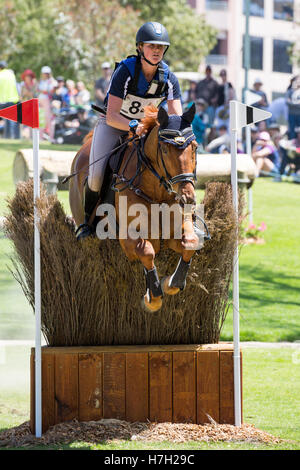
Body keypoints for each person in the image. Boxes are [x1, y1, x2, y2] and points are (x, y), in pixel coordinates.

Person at [76, 21, 182, 240]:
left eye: (160, 47)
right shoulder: (125, 71)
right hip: (114, 125)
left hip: (147, 128)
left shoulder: (169, 78)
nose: (156, 51)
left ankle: (187, 219)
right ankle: (88, 222)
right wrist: (135, 126)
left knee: (177, 166)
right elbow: (113, 114)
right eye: (151, 46)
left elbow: (176, 117)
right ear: (140, 47)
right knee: (95, 176)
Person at [0, 60, 20, 139]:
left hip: (2, 100)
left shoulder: (0, 75)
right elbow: (16, 86)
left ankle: (6, 137)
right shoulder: (11, 74)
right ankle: (14, 137)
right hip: (12, 99)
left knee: (5, 120)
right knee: (11, 120)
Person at [37, 65, 57, 140]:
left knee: (50, 120)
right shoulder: (41, 81)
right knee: (41, 119)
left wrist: (43, 91)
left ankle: (51, 137)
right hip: (41, 102)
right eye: (44, 73)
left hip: (48, 102)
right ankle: (40, 137)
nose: (45, 75)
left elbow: (52, 91)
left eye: (47, 73)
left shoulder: (52, 81)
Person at [19, 69, 38, 138]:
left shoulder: (34, 85)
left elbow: (35, 95)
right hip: (24, 104)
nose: (28, 78)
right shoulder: (22, 85)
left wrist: (29, 93)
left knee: (32, 122)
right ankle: (21, 136)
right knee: (23, 121)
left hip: (32, 105)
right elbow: (21, 96)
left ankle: (31, 136)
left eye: (29, 76)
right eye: (26, 76)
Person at [286, 74, 300, 139]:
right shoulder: (289, 91)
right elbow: (287, 102)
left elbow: (290, 103)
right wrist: (297, 103)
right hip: (291, 115)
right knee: (292, 132)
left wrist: (292, 103)